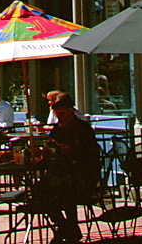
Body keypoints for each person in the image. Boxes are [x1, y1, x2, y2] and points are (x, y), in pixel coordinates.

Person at [40, 92, 100, 243]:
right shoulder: (56, 129)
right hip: (60, 175)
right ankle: (67, 227)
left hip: (82, 176)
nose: (61, 116)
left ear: (72, 111)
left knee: (63, 192)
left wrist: (72, 150)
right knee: (39, 193)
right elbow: (50, 147)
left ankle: (67, 229)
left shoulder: (83, 128)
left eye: (64, 113)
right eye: (58, 113)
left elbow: (91, 153)